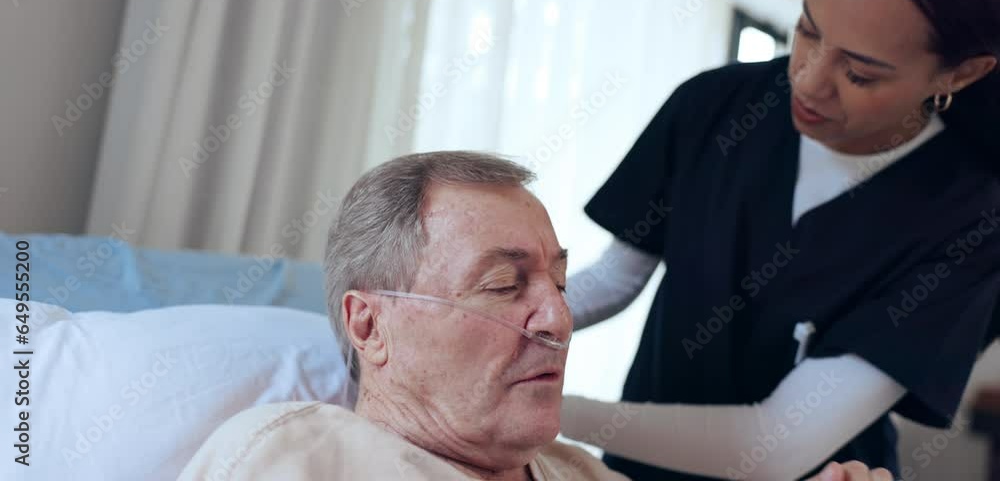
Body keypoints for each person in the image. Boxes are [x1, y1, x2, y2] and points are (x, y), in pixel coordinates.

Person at [177, 152, 886, 481]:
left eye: (560, 282)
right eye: (502, 284)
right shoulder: (294, 461)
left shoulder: (582, 474)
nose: (559, 319)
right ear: (370, 326)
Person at [559, 0, 1000, 480]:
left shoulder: (972, 217)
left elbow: (772, 448)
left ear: (961, 73)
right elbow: (615, 279)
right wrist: (497, 320)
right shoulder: (715, 104)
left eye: (858, 74)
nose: (808, 82)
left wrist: (543, 413)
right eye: (807, 32)